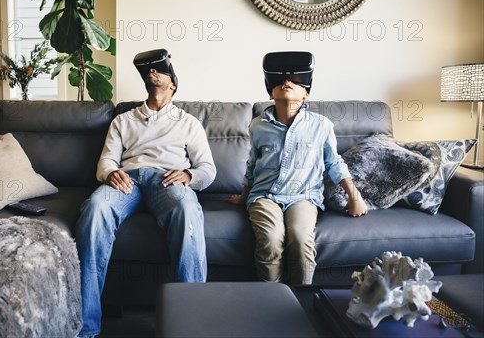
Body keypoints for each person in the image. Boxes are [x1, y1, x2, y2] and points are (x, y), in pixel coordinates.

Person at [75, 49, 216, 338]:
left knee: (187, 210)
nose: (152, 74)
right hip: (128, 181)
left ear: (173, 83)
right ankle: (85, 327)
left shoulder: (189, 123)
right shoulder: (123, 121)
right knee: (95, 208)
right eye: (148, 72)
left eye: (159, 71)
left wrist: (189, 175)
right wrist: (110, 173)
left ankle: (191, 327)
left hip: (168, 181)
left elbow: (208, 168)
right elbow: (106, 160)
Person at [228, 52, 367, 285]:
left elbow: (334, 163)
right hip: (265, 196)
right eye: (280, 81)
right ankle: (271, 298)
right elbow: (252, 164)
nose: (286, 82)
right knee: (271, 239)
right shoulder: (258, 125)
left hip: (304, 197)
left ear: (306, 93)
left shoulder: (321, 125)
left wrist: (355, 196)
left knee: (301, 238)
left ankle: (300, 303)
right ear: (270, 92)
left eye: (294, 81)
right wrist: (244, 196)